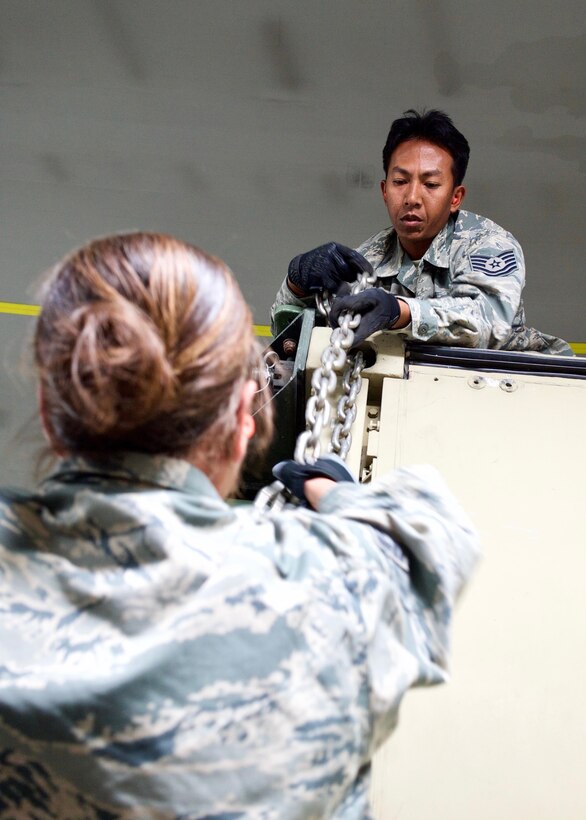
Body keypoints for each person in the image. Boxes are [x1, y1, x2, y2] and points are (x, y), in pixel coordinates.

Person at [0, 232, 480, 818]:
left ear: (51, 415)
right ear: (242, 419)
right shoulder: (336, 585)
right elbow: (432, 536)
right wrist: (334, 495)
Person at [271, 109, 573, 355]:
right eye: (400, 181)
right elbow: (290, 340)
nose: (412, 197)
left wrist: (401, 311)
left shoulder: (486, 243)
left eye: (430, 184)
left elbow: (488, 324)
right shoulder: (370, 259)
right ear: (384, 190)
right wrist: (297, 283)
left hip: (515, 387)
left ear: (456, 197)